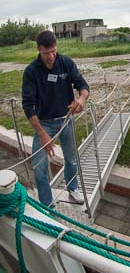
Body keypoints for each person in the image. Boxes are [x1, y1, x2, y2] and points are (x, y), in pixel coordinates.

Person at [22, 30, 90, 207]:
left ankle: (72, 189)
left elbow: (82, 85)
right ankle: (46, 203)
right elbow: (28, 106)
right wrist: (42, 133)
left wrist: (81, 100)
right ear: (39, 50)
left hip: (66, 120)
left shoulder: (65, 62)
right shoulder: (31, 71)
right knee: (39, 165)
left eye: (53, 51)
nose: (51, 56)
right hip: (44, 124)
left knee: (71, 158)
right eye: (46, 53)